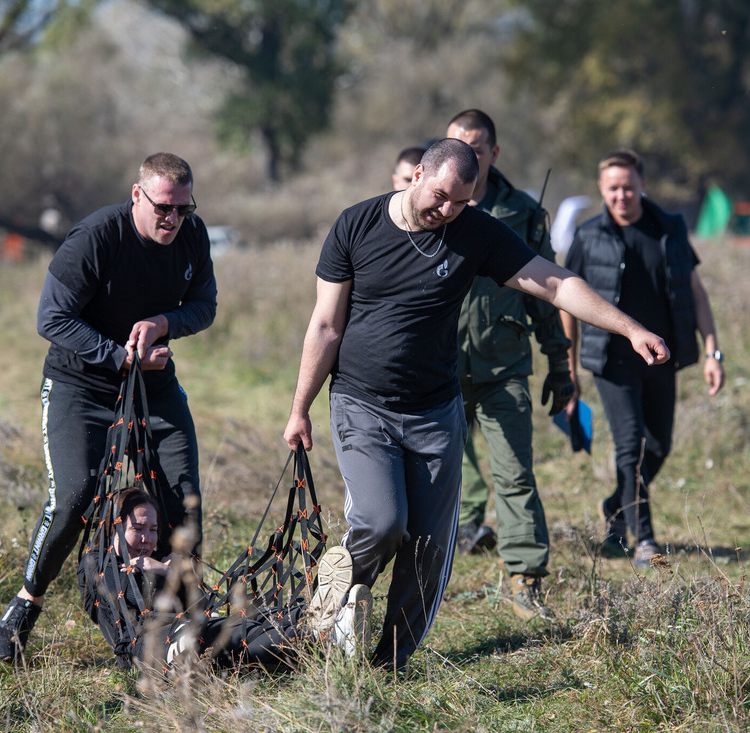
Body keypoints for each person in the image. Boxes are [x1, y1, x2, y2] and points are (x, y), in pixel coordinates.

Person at [283, 139, 670, 670]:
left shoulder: (475, 231)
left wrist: (629, 327)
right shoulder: (356, 225)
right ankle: (336, 590)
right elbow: (326, 324)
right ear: (416, 174)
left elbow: (555, 283)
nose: (446, 211)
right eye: (439, 196)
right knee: (381, 520)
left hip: (435, 410)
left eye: (460, 202)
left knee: (429, 548)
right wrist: (300, 406)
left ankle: (388, 666)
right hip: (361, 402)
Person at [0, 153, 218, 662]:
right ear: (137, 195)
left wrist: (164, 322)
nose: (173, 219)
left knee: (184, 504)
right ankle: (26, 603)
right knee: (76, 496)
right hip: (82, 384)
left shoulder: (192, 236)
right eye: (163, 207)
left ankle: (175, 632)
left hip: (155, 387)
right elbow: (52, 318)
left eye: (183, 209)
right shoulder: (96, 237)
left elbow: (205, 305)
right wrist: (119, 356)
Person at [561, 149, 724, 568]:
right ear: (601, 189)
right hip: (612, 360)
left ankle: (616, 507)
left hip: (662, 359)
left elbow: (697, 293)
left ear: (642, 185)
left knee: (661, 444)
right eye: (613, 188)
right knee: (630, 446)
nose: (621, 195)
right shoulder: (588, 235)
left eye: (628, 187)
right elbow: (566, 304)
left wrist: (712, 352)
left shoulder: (668, 229)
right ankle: (646, 540)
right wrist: (569, 366)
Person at [445, 109, 573, 621]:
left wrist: (559, 364)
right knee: (431, 480)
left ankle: (525, 581)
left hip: (504, 366)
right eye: (457, 144)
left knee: (515, 475)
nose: (467, 154)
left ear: (493, 153)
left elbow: (547, 293)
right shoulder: (430, 206)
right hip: (441, 370)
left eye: (477, 147)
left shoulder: (520, 212)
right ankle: (422, 579)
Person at [78, 489, 371, 670]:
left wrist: (178, 574)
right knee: (228, 636)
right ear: (112, 528)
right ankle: (326, 633)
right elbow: (122, 603)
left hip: (191, 631)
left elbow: (202, 604)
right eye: (138, 528)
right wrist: (156, 569)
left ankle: (324, 622)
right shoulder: (98, 565)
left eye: (153, 530)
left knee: (251, 625)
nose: (146, 539)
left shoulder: (159, 561)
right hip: (151, 650)